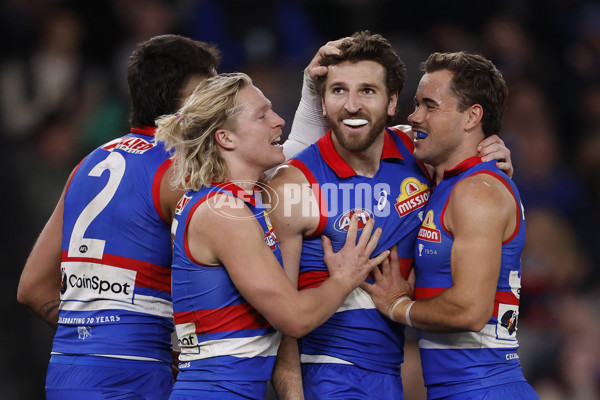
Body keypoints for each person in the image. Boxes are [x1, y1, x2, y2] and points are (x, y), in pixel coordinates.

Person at [15, 33, 341, 399]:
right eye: (211, 91)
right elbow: (279, 171)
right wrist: (312, 99)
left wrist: (95, 334)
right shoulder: (182, 170)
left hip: (65, 372)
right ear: (191, 105)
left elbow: (32, 287)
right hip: (134, 376)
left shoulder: (89, 164)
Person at [266, 31, 514, 399]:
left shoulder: (422, 157)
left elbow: (470, 173)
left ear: (392, 100)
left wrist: (493, 161)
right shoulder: (292, 187)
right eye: (338, 91)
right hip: (328, 376)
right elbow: (277, 318)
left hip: (393, 374)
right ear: (322, 102)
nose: (351, 105)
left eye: (367, 90)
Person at [154, 72, 390, 399]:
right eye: (262, 114)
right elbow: (294, 318)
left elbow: (303, 147)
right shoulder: (225, 213)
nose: (278, 120)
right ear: (226, 139)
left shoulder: (236, 200)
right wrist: (344, 277)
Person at [362, 52, 539, 399]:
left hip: (484, 389)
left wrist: (399, 306)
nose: (414, 116)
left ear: (473, 116)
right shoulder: (449, 184)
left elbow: (471, 310)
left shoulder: (476, 191)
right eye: (416, 104)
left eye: (430, 105)